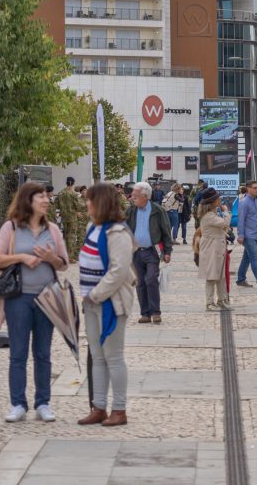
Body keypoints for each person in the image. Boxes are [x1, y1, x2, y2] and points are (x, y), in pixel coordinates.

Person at [0, 182, 69, 423]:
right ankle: (18, 404)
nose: (46, 201)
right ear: (28, 201)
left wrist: (50, 258)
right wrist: (22, 257)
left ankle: (43, 402)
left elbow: (64, 264)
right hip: (18, 298)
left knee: (43, 353)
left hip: (47, 297)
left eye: (47, 197)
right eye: (41, 197)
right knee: (18, 353)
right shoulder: (11, 227)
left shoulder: (53, 229)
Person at [77, 183, 137, 427]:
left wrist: (97, 294)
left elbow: (119, 270)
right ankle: (98, 406)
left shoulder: (118, 233)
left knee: (113, 356)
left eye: (90, 199)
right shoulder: (93, 228)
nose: (86, 203)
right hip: (90, 300)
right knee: (97, 355)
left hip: (110, 302)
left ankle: (119, 409)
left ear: (100, 203)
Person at [125, 182, 174, 324]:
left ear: (145, 196)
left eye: (135, 196)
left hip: (152, 251)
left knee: (151, 279)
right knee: (140, 282)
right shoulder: (131, 210)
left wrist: (167, 251)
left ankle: (155, 312)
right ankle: (145, 313)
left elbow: (166, 231)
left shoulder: (157, 210)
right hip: (135, 252)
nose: (132, 198)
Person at [196, 188, 232, 310]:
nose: (220, 201)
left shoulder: (213, 213)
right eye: (218, 199)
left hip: (217, 247)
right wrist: (227, 212)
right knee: (211, 276)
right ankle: (210, 303)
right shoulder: (208, 216)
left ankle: (222, 299)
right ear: (212, 202)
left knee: (221, 275)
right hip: (211, 247)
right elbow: (225, 223)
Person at [54, 177, 87, 262]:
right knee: (72, 237)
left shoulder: (60, 193)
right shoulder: (73, 194)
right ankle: (71, 257)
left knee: (65, 236)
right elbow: (78, 206)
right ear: (73, 183)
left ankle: (64, 255)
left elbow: (56, 205)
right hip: (72, 218)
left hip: (64, 217)